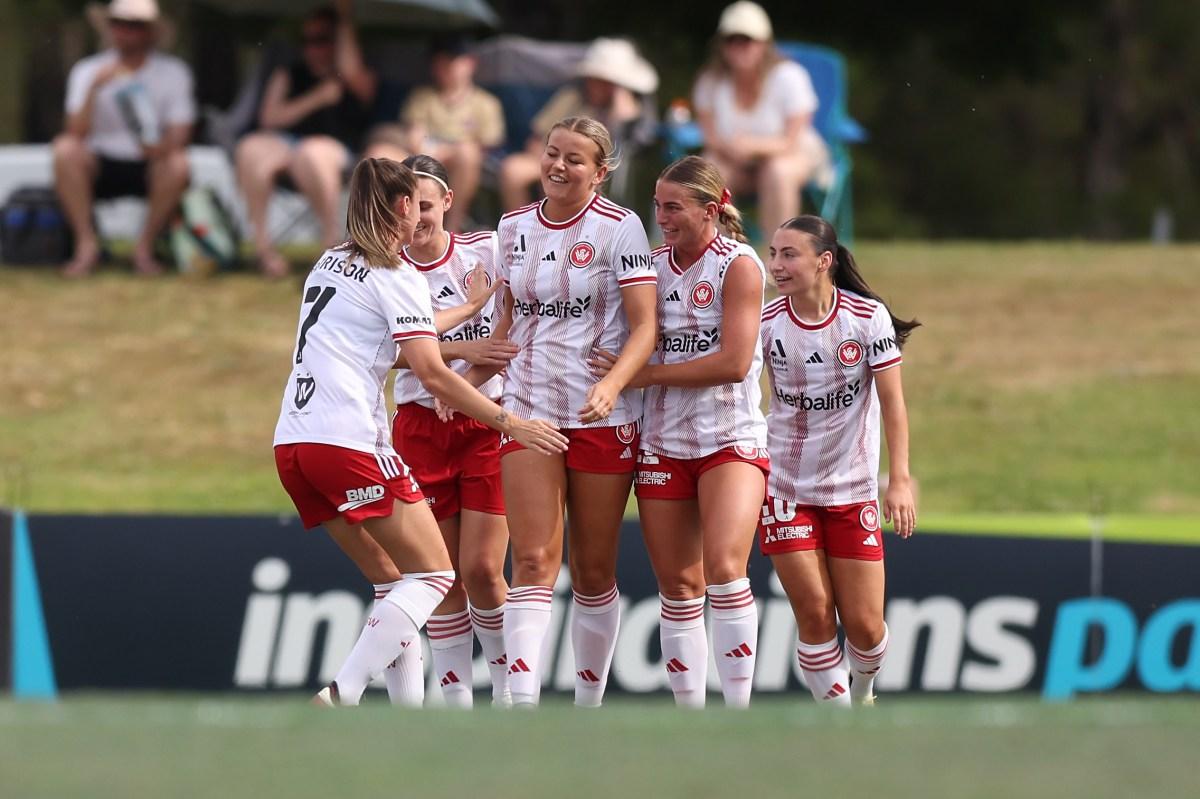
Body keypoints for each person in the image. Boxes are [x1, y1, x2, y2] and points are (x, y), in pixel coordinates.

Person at [273, 157, 567, 706]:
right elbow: (430, 370)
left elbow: (405, 328)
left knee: (394, 580)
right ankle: (342, 691)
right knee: (436, 575)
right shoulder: (396, 272)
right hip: (350, 441)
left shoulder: (331, 262)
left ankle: (408, 720)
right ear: (404, 207)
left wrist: (474, 306)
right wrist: (511, 421)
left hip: (293, 443)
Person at [464, 116, 657, 707]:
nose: (558, 166)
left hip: (602, 416)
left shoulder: (620, 228)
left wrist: (614, 385)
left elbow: (645, 325)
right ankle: (518, 704)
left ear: (600, 172)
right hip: (527, 411)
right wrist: (470, 382)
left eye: (575, 159)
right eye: (552, 153)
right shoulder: (512, 225)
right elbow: (506, 322)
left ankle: (587, 707)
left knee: (594, 569)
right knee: (532, 558)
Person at [591, 155, 767, 708]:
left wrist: (642, 375)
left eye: (674, 207)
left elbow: (734, 362)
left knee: (723, 567)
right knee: (679, 587)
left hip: (728, 437)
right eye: (657, 206)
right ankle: (690, 715)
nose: (661, 217)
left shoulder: (738, 265)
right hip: (662, 440)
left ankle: (736, 711)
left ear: (712, 210)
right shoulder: (649, 265)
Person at [759, 215, 919, 706]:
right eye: (773, 254)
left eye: (790, 255)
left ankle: (864, 689)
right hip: (785, 488)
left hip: (852, 489)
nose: (777, 266)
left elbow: (893, 402)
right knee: (813, 610)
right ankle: (838, 723)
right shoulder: (765, 323)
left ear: (824, 261)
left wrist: (900, 480)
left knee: (867, 629)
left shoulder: (865, 318)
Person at [389, 154, 518, 708]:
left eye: (426, 202)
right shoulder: (385, 268)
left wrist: (464, 380)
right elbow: (383, 350)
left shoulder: (486, 250)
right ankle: (456, 708)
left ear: (446, 201)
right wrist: (447, 368)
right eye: (406, 204)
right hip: (421, 425)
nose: (417, 215)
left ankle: (515, 694)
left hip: (487, 419)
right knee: (439, 576)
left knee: (485, 568)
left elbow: (515, 317)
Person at [235, 1, 377, 277]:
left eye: (322, 39)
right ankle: (263, 250)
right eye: (307, 40)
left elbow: (351, 70)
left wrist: (345, 18)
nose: (313, 48)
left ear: (338, 41)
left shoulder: (354, 76)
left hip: (337, 150)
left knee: (311, 153)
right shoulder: (290, 72)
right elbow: (270, 118)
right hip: (288, 144)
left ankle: (331, 246)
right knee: (250, 148)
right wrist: (316, 99)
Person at [54, 0, 195, 277]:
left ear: (151, 32)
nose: (124, 32)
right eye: (118, 23)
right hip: (100, 161)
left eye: (134, 25)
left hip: (150, 163)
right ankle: (86, 246)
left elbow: (181, 133)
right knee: (64, 150)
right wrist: (94, 89)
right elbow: (75, 132)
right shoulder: (87, 70)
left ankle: (144, 248)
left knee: (178, 163)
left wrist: (160, 147)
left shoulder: (173, 72)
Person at [693, 1, 833, 237]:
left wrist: (752, 147)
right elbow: (711, 138)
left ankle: (779, 258)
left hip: (794, 155)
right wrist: (734, 150)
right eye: (731, 39)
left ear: (763, 44)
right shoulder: (710, 81)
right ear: (721, 45)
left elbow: (792, 140)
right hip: (734, 160)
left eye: (746, 40)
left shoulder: (789, 76)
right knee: (711, 171)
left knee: (778, 171)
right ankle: (716, 257)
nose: (739, 47)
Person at [497, 39, 658, 212]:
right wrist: (548, 159)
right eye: (593, 78)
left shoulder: (628, 110)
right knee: (513, 170)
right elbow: (537, 136)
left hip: (592, 169)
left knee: (565, 177)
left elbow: (622, 146)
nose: (594, 85)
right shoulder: (571, 98)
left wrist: (619, 104)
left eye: (604, 81)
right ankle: (523, 228)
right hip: (553, 158)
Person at [363, 38, 505, 233]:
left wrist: (445, 153)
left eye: (451, 61)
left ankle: (452, 230)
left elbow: (487, 145)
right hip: (422, 155)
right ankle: (380, 231)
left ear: (470, 63)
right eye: (439, 62)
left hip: (461, 164)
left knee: (468, 153)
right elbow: (415, 136)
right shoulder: (422, 96)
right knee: (377, 154)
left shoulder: (486, 103)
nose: (444, 67)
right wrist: (429, 154)